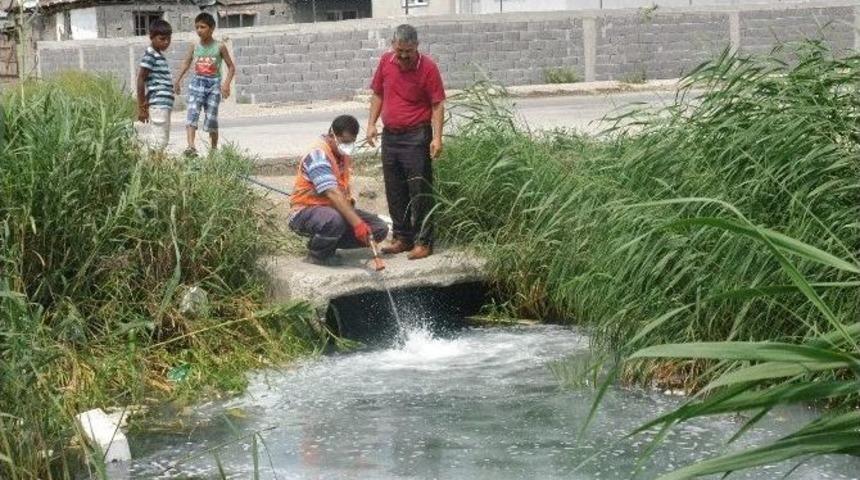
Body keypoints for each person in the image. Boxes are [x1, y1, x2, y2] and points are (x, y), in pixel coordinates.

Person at [366, 24, 446, 261]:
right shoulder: (386, 61)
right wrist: (371, 124)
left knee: (419, 191)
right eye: (399, 50)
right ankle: (402, 238)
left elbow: (437, 105)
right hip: (391, 136)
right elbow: (378, 94)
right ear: (393, 45)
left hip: (416, 136)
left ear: (416, 46)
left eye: (408, 51)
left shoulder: (428, 67)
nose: (402, 56)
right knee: (395, 189)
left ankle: (423, 242)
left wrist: (437, 137)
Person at [289, 115, 389, 266]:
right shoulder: (318, 155)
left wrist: (357, 219)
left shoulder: (342, 155)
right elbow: (332, 193)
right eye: (344, 142)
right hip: (306, 211)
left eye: (351, 142)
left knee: (379, 229)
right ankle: (318, 254)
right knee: (334, 220)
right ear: (332, 136)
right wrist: (358, 224)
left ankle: (328, 242)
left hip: (335, 209)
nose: (347, 146)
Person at [174, 12, 236, 156]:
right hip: (197, 83)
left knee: (211, 118)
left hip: (213, 85)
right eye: (197, 27)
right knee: (192, 113)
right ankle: (191, 147)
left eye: (203, 27)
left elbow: (231, 67)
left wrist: (226, 84)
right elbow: (186, 63)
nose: (199, 30)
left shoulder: (220, 46)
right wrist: (177, 80)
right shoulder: (194, 45)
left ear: (212, 28)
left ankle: (213, 151)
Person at [136, 19, 174, 151]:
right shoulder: (150, 55)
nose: (166, 42)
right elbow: (141, 79)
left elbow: (154, 84)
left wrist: (147, 100)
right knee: (158, 141)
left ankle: (156, 163)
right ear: (151, 37)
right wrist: (141, 107)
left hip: (163, 104)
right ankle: (153, 163)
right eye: (162, 39)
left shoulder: (159, 56)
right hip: (159, 105)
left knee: (163, 140)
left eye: (169, 39)